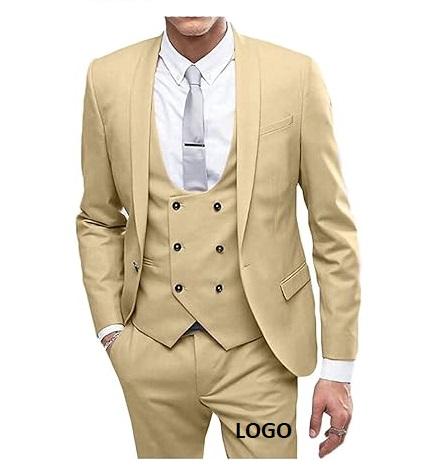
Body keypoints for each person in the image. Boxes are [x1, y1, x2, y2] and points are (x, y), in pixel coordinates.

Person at [76, 16, 360, 459]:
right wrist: (112, 330)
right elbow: (98, 218)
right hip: (151, 352)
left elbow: (332, 228)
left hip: (261, 354)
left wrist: (338, 369)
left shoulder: (296, 75)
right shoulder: (106, 78)